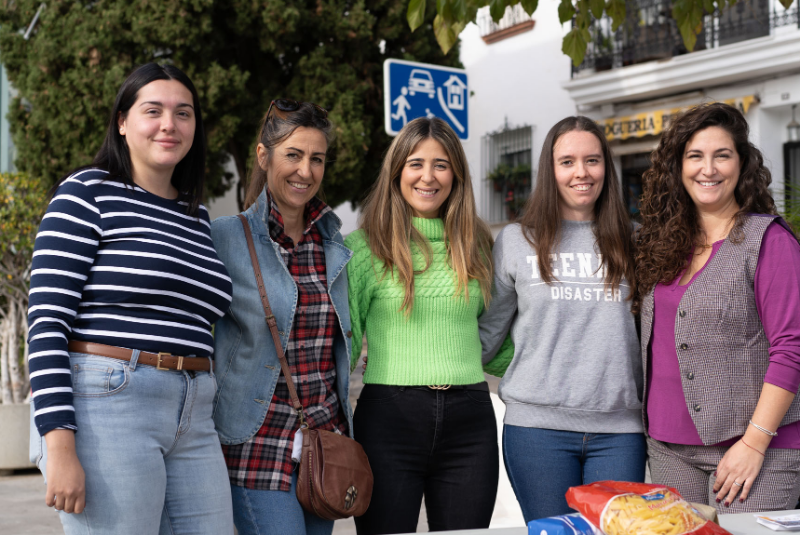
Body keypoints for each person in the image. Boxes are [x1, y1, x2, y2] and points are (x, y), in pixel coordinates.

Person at [27, 63, 234, 534]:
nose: (170, 124)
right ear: (123, 121)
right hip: (111, 404)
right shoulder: (85, 194)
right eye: (153, 110)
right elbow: (45, 323)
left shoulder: (196, 217)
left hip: (196, 409)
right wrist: (58, 445)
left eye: (184, 114)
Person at [635, 102, 800, 512]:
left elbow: (792, 347)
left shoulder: (770, 241)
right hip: (669, 450)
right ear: (678, 166)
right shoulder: (662, 244)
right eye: (695, 156)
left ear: (741, 165)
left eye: (721, 155)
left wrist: (754, 443)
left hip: (758, 448)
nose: (708, 169)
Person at [479, 116, 645, 522]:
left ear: (606, 166)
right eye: (567, 161)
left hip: (620, 431)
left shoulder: (635, 239)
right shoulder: (518, 240)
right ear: (550, 170)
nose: (581, 173)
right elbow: (488, 335)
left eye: (592, 160)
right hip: (536, 431)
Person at [345, 117, 498, 535]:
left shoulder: (480, 245)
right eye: (415, 163)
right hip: (388, 420)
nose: (428, 176)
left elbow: (500, 335)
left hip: (471, 422)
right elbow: (347, 340)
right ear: (397, 172)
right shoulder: (363, 248)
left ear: (457, 175)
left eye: (441, 164)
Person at [210, 99, 353, 535]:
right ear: (262, 155)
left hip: (322, 445)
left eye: (316, 159)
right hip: (255, 442)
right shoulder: (224, 238)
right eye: (293, 155)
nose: (305, 171)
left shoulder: (332, 245)